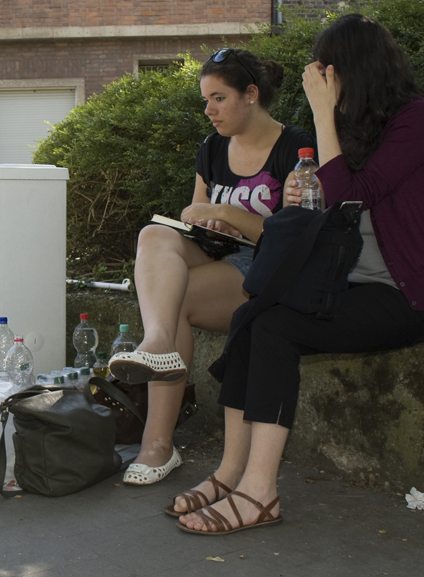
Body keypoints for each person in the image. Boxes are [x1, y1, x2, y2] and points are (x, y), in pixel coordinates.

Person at [176, 14, 424, 534]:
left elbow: (354, 195)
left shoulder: (415, 120)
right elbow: (335, 204)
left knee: (275, 328)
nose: (318, 79)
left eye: (324, 70)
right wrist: (301, 198)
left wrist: (321, 114)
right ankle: (230, 473)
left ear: (349, 69)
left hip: (402, 294)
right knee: (254, 316)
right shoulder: (360, 127)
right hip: (349, 282)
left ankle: (259, 492)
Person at [108, 49, 314, 486]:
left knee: (175, 299)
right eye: (206, 100)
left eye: (218, 98)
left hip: (266, 270)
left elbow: (296, 236)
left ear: (251, 94)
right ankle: (158, 343)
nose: (209, 110)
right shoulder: (212, 148)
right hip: (217, 253)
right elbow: (198, 211)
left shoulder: (294, 149)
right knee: (153, 235)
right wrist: (197, 217)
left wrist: (228, 213)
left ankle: (157, 446)